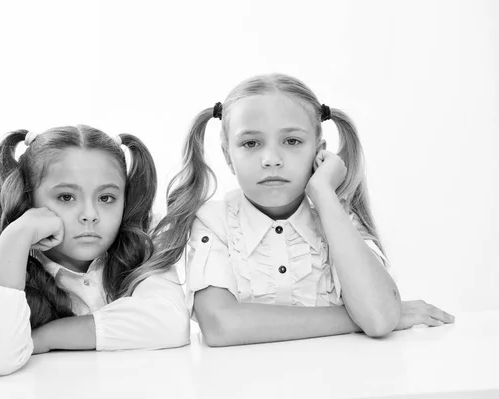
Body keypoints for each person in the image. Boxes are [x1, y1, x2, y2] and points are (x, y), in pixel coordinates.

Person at [150, 73, 454, 347]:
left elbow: (376, 316)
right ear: (228, 155)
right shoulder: (212, 221)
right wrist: (353, 320)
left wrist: (323, 193)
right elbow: (220, 326)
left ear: (319, 150)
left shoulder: (338, 217)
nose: (271, 159)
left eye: (292, 140)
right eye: (251, 143)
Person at [0, 125, 189, 375]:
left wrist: (43, 338)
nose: (89, 215)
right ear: (29, 200)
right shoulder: (13, 268)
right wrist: (15, 236)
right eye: (66, 197)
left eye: (106, 198)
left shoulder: (146, 247)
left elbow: (170, 321)